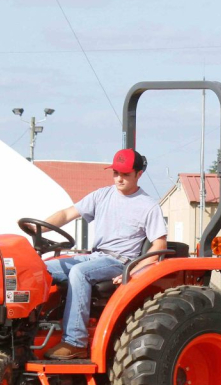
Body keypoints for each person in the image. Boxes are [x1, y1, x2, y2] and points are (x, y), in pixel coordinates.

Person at [33, 148, 167, 359]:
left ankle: (75, 342)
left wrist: (134, 270)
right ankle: (28, 330)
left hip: (119, 261)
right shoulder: (102, 195)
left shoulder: (148, 206)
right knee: (38, 267)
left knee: (79, 272)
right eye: (116, 173)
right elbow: (67, 213)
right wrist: (40, 228)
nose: (119, 179)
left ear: (138, 174)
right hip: (94, 256)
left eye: (125, 174)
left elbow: (159, 245)